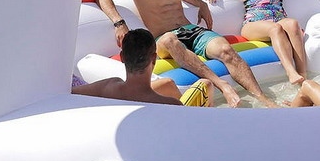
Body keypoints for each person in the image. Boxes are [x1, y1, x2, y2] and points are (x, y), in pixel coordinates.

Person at [97, 0, 276, 108]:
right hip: (162, 37)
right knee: (170, 40)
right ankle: (223, 85)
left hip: (190, 30)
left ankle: (264, 99)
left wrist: (201, 4)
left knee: (226, 50)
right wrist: (119, 23)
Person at [71, 28, 214, 106]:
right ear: (154, 58)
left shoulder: (107, 88)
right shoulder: (170, 104)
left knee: (168, 83)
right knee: (205, 84)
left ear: (122, 57)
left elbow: (70, 93)